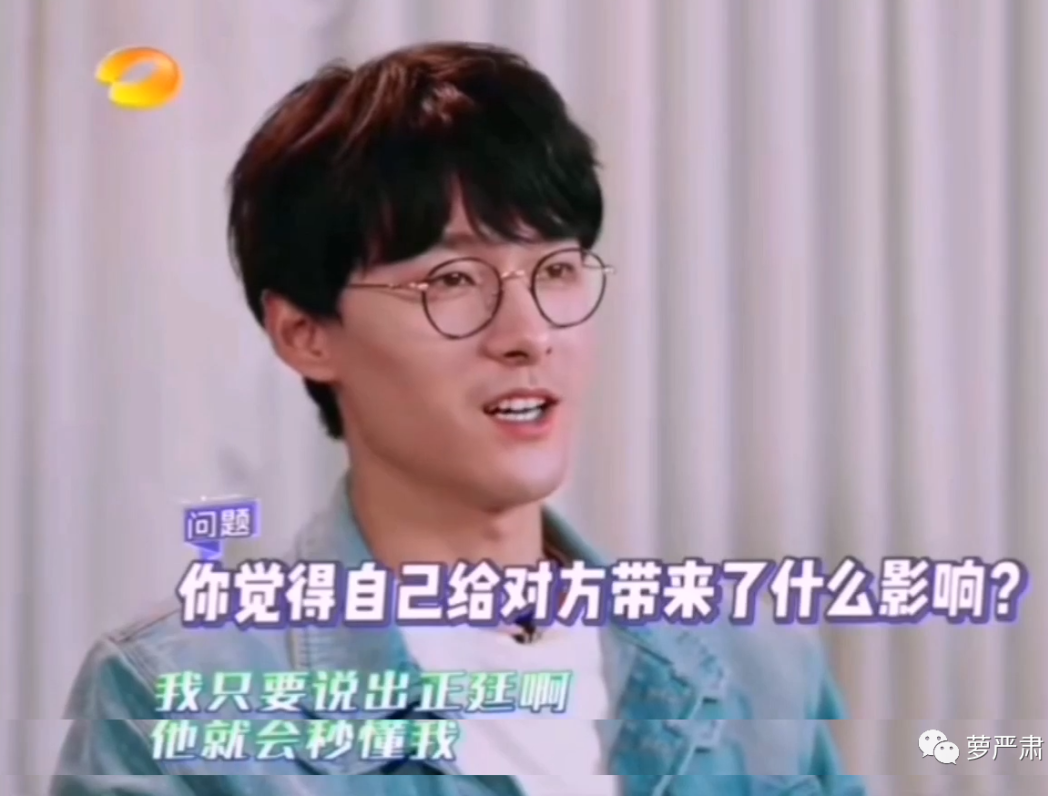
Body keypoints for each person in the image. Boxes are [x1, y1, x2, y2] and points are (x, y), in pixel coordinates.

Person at [52, 42, 865, 796]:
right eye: (452, 281)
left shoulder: (759, 673)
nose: (528, 335)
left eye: (556, 269)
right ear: (305, 334)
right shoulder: (178, 695)